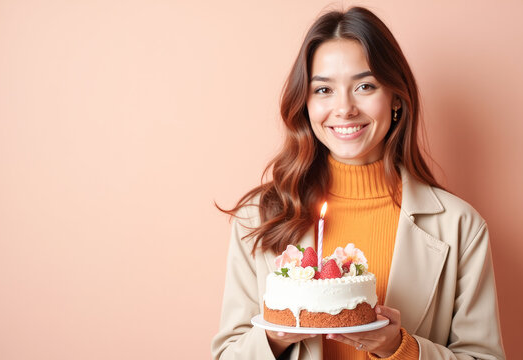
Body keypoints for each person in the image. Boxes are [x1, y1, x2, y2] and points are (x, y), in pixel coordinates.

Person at [211, 6, 505, 360]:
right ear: (304, 103)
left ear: (396, 97)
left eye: (365, 86)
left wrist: (402, 349)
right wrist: (274, 336)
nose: (345, 108)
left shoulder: (461, 227)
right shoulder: (258, 217)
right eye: (323, 90)